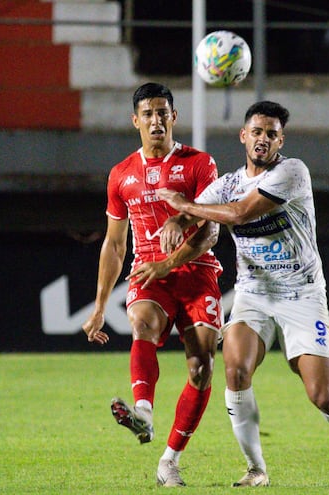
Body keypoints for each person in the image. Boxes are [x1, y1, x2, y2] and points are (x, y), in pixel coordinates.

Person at [158, 100, 329, 487]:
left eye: (272, 134)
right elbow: (202, 210)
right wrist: (179, 219)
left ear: (281, 141)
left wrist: (184, 205)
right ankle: (256, 469)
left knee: (322, 397)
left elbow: (240, 214)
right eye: (257, 132)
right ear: (243, 135)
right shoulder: (228, 183)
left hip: (302, 294)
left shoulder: (292, 172)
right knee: (235, 368)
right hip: (254, 293)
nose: (263, 139)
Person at [82, 82, 223, 487]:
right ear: (136, 121)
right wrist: (98, 307)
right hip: (148, 273)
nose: (156, 120)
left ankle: (170, 460)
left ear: (174, 117)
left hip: (197, 272)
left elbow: (210, 232)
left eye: (163, 112)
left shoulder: (200, 164)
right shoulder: (122, 175)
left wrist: (170, 262)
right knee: (142, 322)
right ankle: (143, 413)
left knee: (201, 368)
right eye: (148, 114)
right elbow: (113, 244)